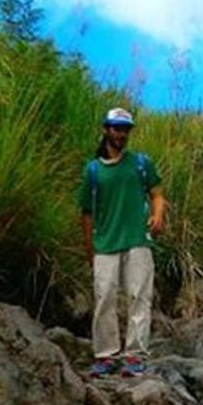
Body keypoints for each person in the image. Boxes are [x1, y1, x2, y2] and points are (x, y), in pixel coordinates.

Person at [78, 107, 166, 377]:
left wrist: (157, 215)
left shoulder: (141, 163)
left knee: (139, 296)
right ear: (106, 129)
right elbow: (86, 213)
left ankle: (135, 355)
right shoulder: (93, 171)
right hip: (105, 243)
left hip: (138, 240)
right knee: (104, 298)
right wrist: (89, 248)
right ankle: (106, 355)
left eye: (126, 129)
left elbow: (157, 193)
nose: (121, 134)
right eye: (117, 128)